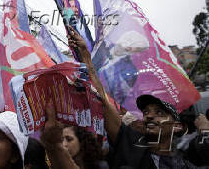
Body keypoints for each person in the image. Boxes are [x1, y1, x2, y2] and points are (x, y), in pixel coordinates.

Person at [52, 25, 205, 169]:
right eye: (146, 112)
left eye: (159, 113)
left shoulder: (185, 163)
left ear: (176, 127)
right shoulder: (130, 144)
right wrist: (86, 58)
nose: (149, 116)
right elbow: (101, 100)